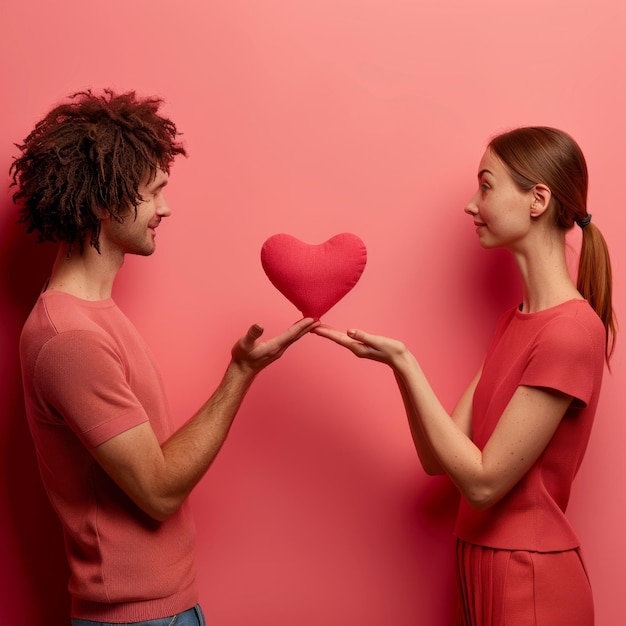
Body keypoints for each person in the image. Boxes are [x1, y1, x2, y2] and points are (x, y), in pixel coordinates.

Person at [10, 89, 318, 625]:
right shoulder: (70, 339)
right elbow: (158, 491)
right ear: (107, 201)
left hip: (164, 610)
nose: (165, 208)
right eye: (154, 194)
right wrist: (240, 374)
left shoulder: (91, 315)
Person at [313, 127, 615, 625]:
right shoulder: (513, 322)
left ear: (537, 199)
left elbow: (482, 483)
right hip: (482, 568)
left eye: (487, 186)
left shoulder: (570, 331)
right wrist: (398, 368)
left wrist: (408, 361)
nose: (472, 205)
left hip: (531, 582)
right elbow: (439, 459)